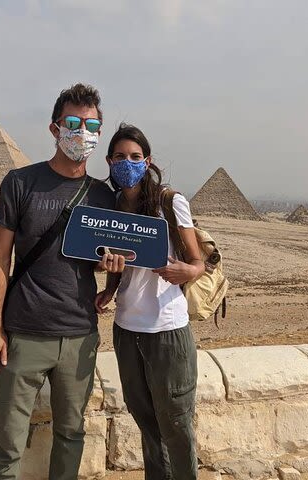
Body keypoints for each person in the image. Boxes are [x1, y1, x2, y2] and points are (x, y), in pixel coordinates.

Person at [0, 84, 125, 480]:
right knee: (7, 443)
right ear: (54, 128)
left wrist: (112, 271)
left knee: (71, 434)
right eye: (75, 123)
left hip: (79, 335)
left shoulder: (103, 196)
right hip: (24, 334)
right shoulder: (19, 182)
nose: (83, 133)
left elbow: (104, 262)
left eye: (92, 125)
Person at [95, 123, 205, 480]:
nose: (127, 163)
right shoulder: (111, 206)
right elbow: (121, 259)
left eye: (135, 157)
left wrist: (186, 271)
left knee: (175, 425)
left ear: (148, 161)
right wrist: (111, 287)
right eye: (120, 157)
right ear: (109, 161)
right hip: (127, 329)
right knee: (145, 421)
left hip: (166, 330)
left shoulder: (170, 202)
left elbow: (197, 261)